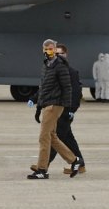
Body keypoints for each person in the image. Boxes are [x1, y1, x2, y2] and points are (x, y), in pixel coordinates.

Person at [27, 38, 81, 179]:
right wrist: (38, 106)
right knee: (52, 136)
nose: (48, 51)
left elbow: (67, 87)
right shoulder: (46, 65)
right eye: (46, 49)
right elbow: (44, 88)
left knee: (43, 137)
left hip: (55, 105)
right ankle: (74, 160)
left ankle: (42, 170)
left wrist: (68, 108)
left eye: (51, 48)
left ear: (55, 49)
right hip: (47, 104)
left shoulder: (60, 66)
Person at [50, 44, 85, 174]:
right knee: (68, 139)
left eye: (60, 54)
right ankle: (80, 164)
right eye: (56, 54)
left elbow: (76, 93)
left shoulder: (71, 72)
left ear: (65, 55)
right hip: (56, 110)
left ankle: (43, 165)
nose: (58, 56)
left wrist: (72, 110)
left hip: (66, 111)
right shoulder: (54, 71)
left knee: (55, 138)